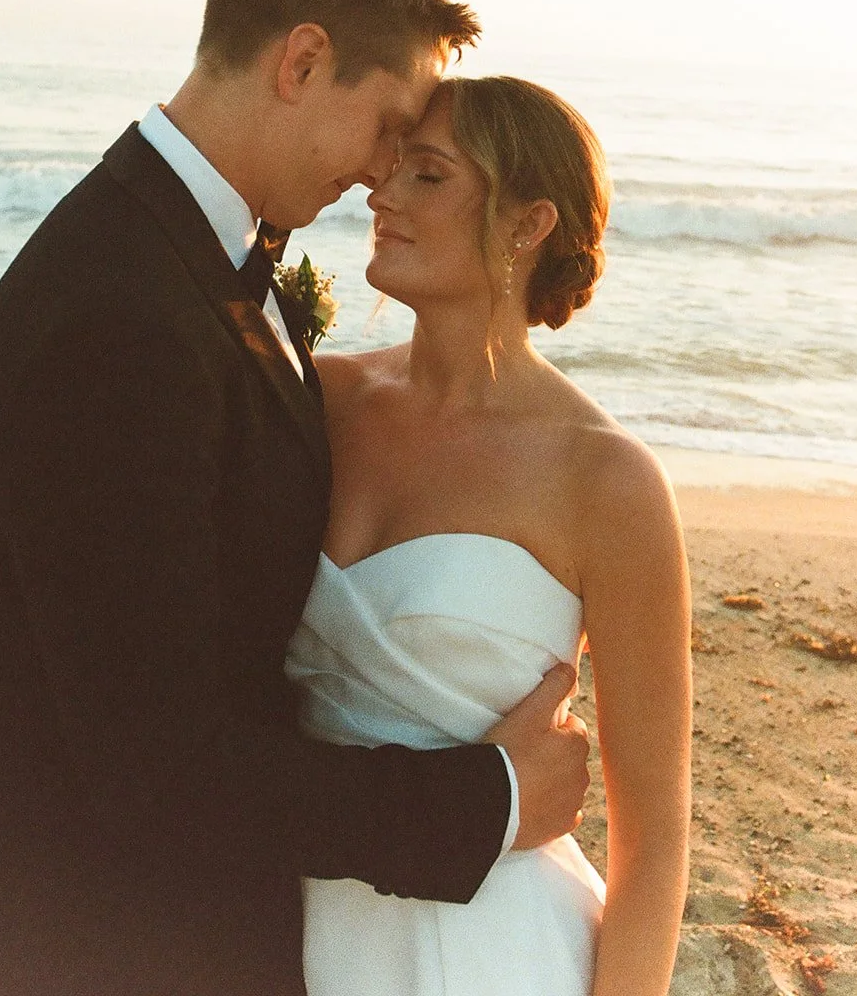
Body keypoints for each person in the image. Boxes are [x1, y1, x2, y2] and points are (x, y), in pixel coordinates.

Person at [0, 0, 591, 996]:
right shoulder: (118, 316)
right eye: (385, 124)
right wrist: (489, 797)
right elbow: (160, 771)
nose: (379, 172)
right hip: (91, 946)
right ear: (302, 60)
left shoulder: (187, 253)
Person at [286, 74, 692, 995]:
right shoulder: (318, 403)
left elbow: (655, 838)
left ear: (525, 224)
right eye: (390, 169)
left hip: (490, 953)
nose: (379, 195)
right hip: (281, 929)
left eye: (426, 176)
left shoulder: (605, 480)